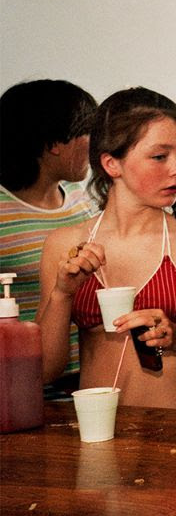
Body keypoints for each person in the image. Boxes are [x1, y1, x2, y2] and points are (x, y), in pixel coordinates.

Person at [38, 88, 176, 409]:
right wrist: (63, 294)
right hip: (93, 430)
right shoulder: (64, 246)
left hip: (174, 431)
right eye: (160, 156)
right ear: (112, 164)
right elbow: (44, 370)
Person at [1, 80, 97, 392]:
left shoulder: (79, 197)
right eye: (86, 133)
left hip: (87, 376)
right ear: (55, 142)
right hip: (22, 381)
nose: (93, 145)